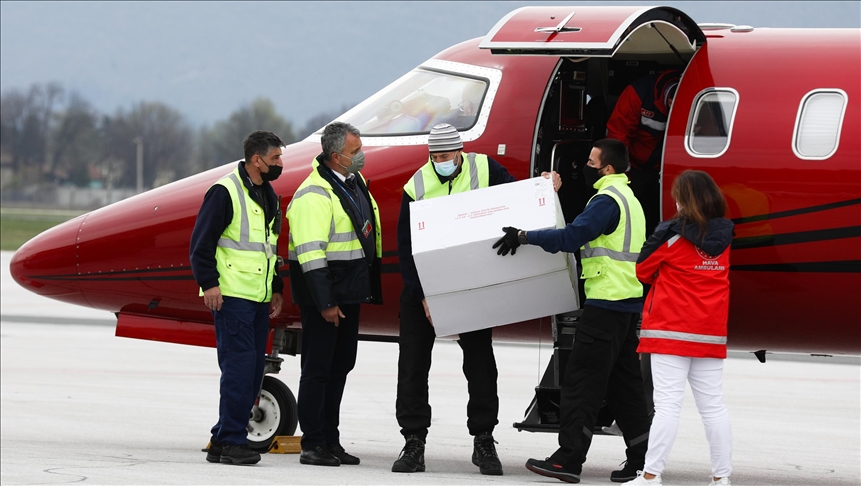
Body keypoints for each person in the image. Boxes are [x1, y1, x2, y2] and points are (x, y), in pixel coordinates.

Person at [392, 123, 560, 476]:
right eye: (436, 157)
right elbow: (406, 250)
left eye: (447, 156)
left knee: (481, 365)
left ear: (460, 150)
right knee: (412, 367)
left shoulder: (485, 168)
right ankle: (413, 442)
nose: (442, 162)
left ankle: (483, 439)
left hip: (470, 286)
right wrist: (424, 295)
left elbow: (519, 196)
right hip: (423, 288)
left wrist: (545, 184)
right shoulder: (417, 185)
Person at [494, 138, 652, 484]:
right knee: (625, 387)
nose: (587, 166)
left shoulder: (606, 201)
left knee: (581, 382)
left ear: (607, 168)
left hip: (605, 305)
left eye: (593, 162)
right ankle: (643, 459)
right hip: (626, 307)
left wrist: (523, 236)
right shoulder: (630, 199)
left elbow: (571, 238)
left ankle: (568, 459)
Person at [622, 170, 734, 486]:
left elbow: (642, 271)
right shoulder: (725, 237)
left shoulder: (670, 233)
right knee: (713, 407)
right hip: (709, 332)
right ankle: (721, 477)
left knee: (668, 406)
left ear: (682, 200)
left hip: (669, 331)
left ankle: (651, 475)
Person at [286, 121, 382, 467]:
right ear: (336, 156)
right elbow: (312, 254)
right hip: (325, 298)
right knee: (317, 370)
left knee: (341, 366)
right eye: (356, 151)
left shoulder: (353, 184)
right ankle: (312, 443)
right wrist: (326, 302)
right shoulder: (314, 194)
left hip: (348, 291)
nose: (361, 156)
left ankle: (330, 439)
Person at [189, 130, 286, 466]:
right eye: (275, 158)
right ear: (256, 160)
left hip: (258, 296)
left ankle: (221, 439)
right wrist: (210, 284)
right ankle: (232, 441)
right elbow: (200, 245)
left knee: (253, 369)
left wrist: (276, 287)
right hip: (231, 296)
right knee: (240, 369)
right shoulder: (224, 191)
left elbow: (269, 249)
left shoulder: (269, 196)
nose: (280, 163)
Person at [606, 69, 681, 237]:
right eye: (673, 106)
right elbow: (618, 136)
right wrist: (623, 174)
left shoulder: (692, 95)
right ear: (669, 100)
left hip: (667, 173)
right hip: (634, 167)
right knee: (630, 214)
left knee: (660, 215)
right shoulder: (638, 93)